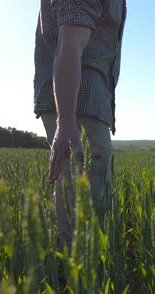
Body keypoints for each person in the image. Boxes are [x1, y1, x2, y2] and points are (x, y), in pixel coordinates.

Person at [33, 0, 127, 250]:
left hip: (86, 104)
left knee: (79, 200)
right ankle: (75, 282)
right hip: (78, 105)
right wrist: (65, 123)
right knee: (85, 211)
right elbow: (69, 46)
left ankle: (70, 275)